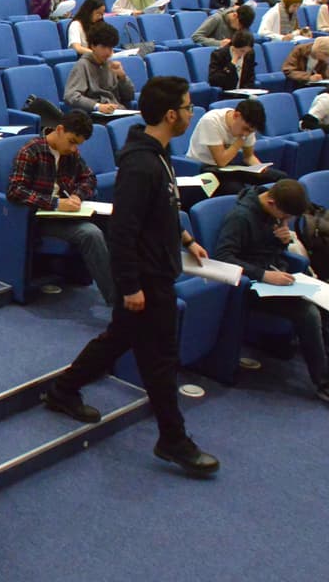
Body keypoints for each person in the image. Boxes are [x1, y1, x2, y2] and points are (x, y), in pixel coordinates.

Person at [44, 76, 218, 475]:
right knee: (159, 359)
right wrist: (131, 285)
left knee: (119, 340)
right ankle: (173, 440)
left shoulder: (159, 153)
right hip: (147, 275)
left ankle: (63, 389)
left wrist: (187, 237)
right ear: (172, 114)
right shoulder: (141, 163)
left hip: (157, 267)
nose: (193, 114)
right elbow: (122, 230)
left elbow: (163, 210)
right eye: (189, 108)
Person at [214, 179, 329, 410]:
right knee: (308, 313)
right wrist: (263, 275)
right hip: (252, 286)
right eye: (284, 216)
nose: (285, 220)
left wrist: (284, 242)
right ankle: (324, 384)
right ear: (271, 201)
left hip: (278, 277)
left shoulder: (273, 211)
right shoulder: (240, 217)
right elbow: (222, 257)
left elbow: (269, 249)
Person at [7, 111, 114, 303]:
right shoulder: (31, 151)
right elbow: (16, 191)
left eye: (78, 144)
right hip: (42, 218)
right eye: (72, 142)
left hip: (68, 214)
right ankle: (116, 299)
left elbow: (89, 178)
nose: (74, 149)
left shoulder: (70, 153)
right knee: (91, 234)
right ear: (59, 129)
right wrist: (56, 203)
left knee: (118, 221)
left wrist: (77, 195)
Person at [186, 97, 286, 193]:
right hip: (205, 168)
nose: (246, 134)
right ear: (236, 116)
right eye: (245, 129)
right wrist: (240, 140)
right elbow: (221, 161)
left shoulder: (247, 128)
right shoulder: (211, 121)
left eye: (250, 132)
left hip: (230, 167)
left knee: (281, 179)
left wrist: (260, 168)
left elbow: (249, 156)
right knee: (238, 190)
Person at [63, 22, 135, 115]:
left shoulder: (111, 65)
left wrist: (122, 77)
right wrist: (97, 106)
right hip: (95, 115)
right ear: (93, 46)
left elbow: (129, 96)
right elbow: (71, 96)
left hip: (116, 111)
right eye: (103, 47)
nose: (108, 52)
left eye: (110, 48)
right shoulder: (82, 65)